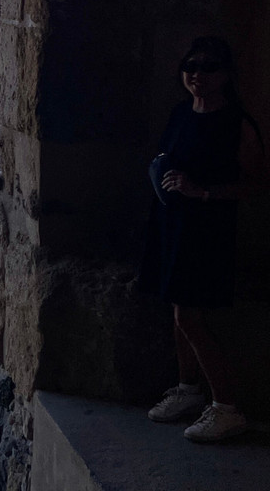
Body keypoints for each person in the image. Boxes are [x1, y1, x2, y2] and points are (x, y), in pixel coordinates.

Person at [140, 37, 264, 443]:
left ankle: (227, 406)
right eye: (191, 65)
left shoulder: (236, 124)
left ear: (227, 75)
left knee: (188, 318)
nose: (197, 73)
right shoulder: (180, 114)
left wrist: (202, 192)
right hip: (173, 224)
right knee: (178, 314)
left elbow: (255, 184)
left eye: (209, 67)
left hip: (207, 231)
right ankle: (189, 391)